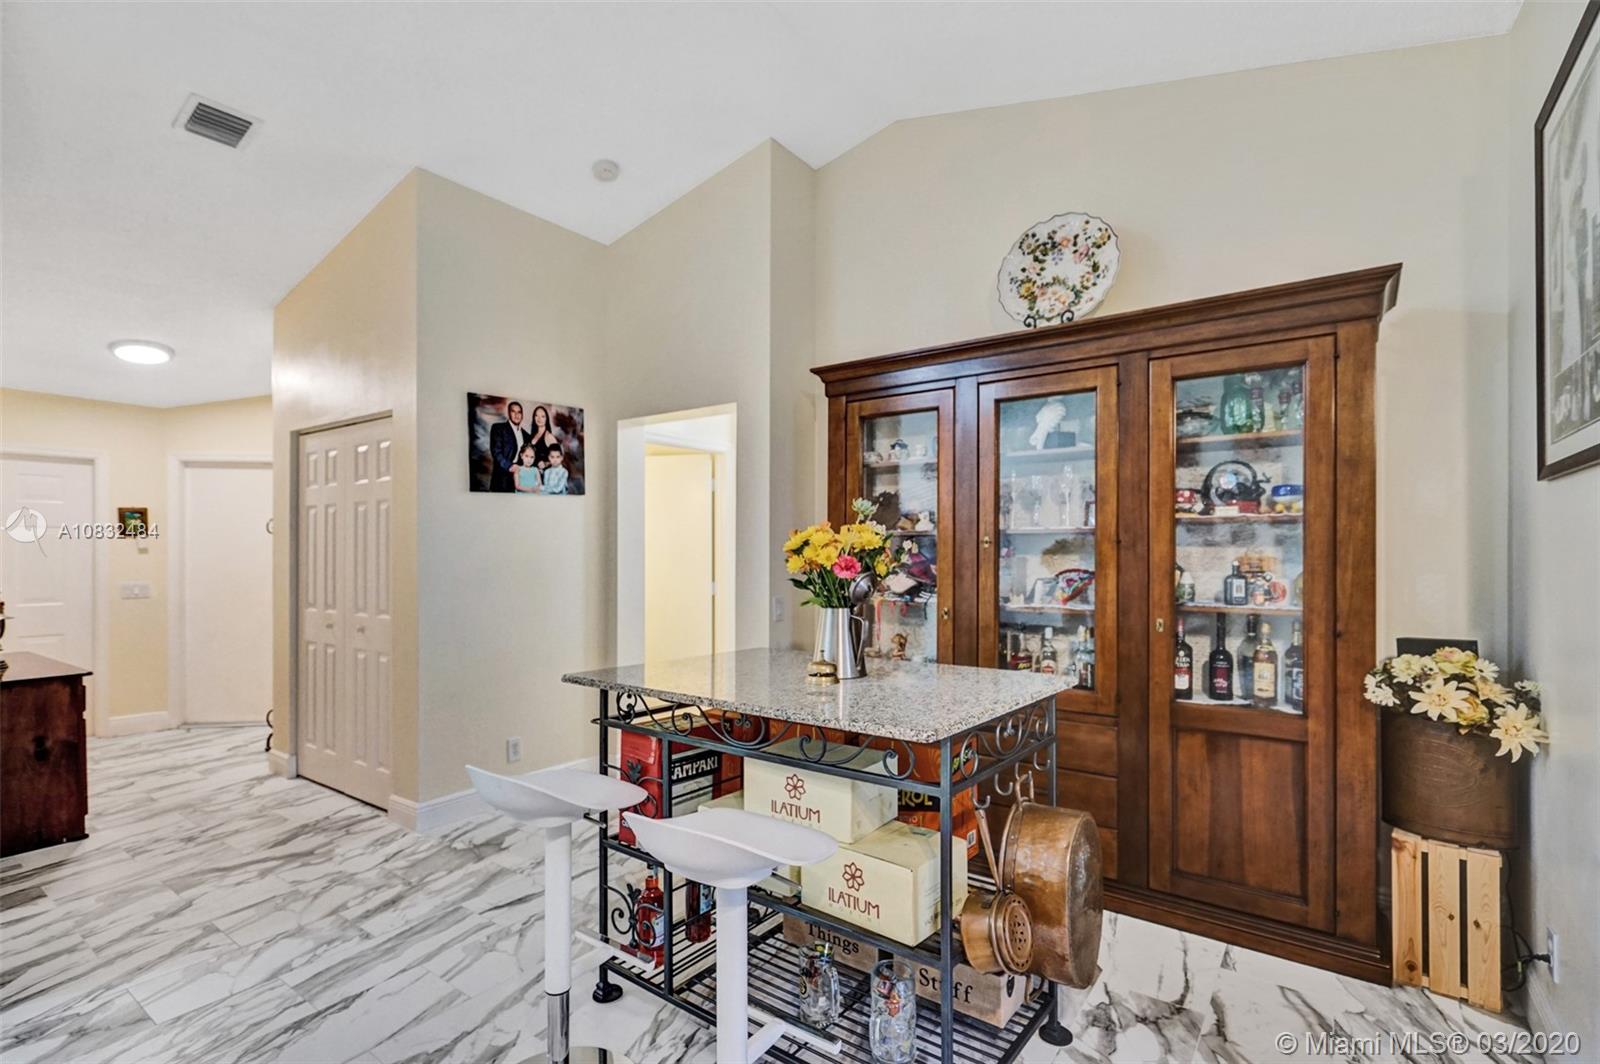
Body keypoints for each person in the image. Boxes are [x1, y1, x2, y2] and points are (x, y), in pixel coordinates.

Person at [489, 401, 531, 492]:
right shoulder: (498, 428)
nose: (516, 415)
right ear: (509, 413)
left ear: (522, 415)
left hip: (520, 479)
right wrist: (510, 466)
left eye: (519, 412)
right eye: (513, 411)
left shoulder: (527, 436)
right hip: (502, 479)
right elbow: (496, 452)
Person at [528, 405, 560, 469]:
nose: (539, 419)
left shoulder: (549, 436)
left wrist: (546, 464)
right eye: (536, 415)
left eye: (542, 416)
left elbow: (559, 457)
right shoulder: (533, 434)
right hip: (532, 472)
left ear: (546, 419)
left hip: (544, 473)